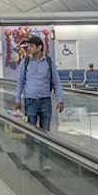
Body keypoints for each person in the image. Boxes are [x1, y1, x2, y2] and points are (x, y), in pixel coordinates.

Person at [14, 36, 64, 171]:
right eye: (28, 46)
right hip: (30, 101)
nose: (29, 49)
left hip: (45, 102)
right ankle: (28, 154)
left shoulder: (48, 62)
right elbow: (20, 82)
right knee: (30, 132)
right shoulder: (25, 63)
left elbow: (56, 81)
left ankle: (44, 160)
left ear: (39, 47)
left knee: (45, 133)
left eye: (31, 46)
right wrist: (17, 99)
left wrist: (60, 99)